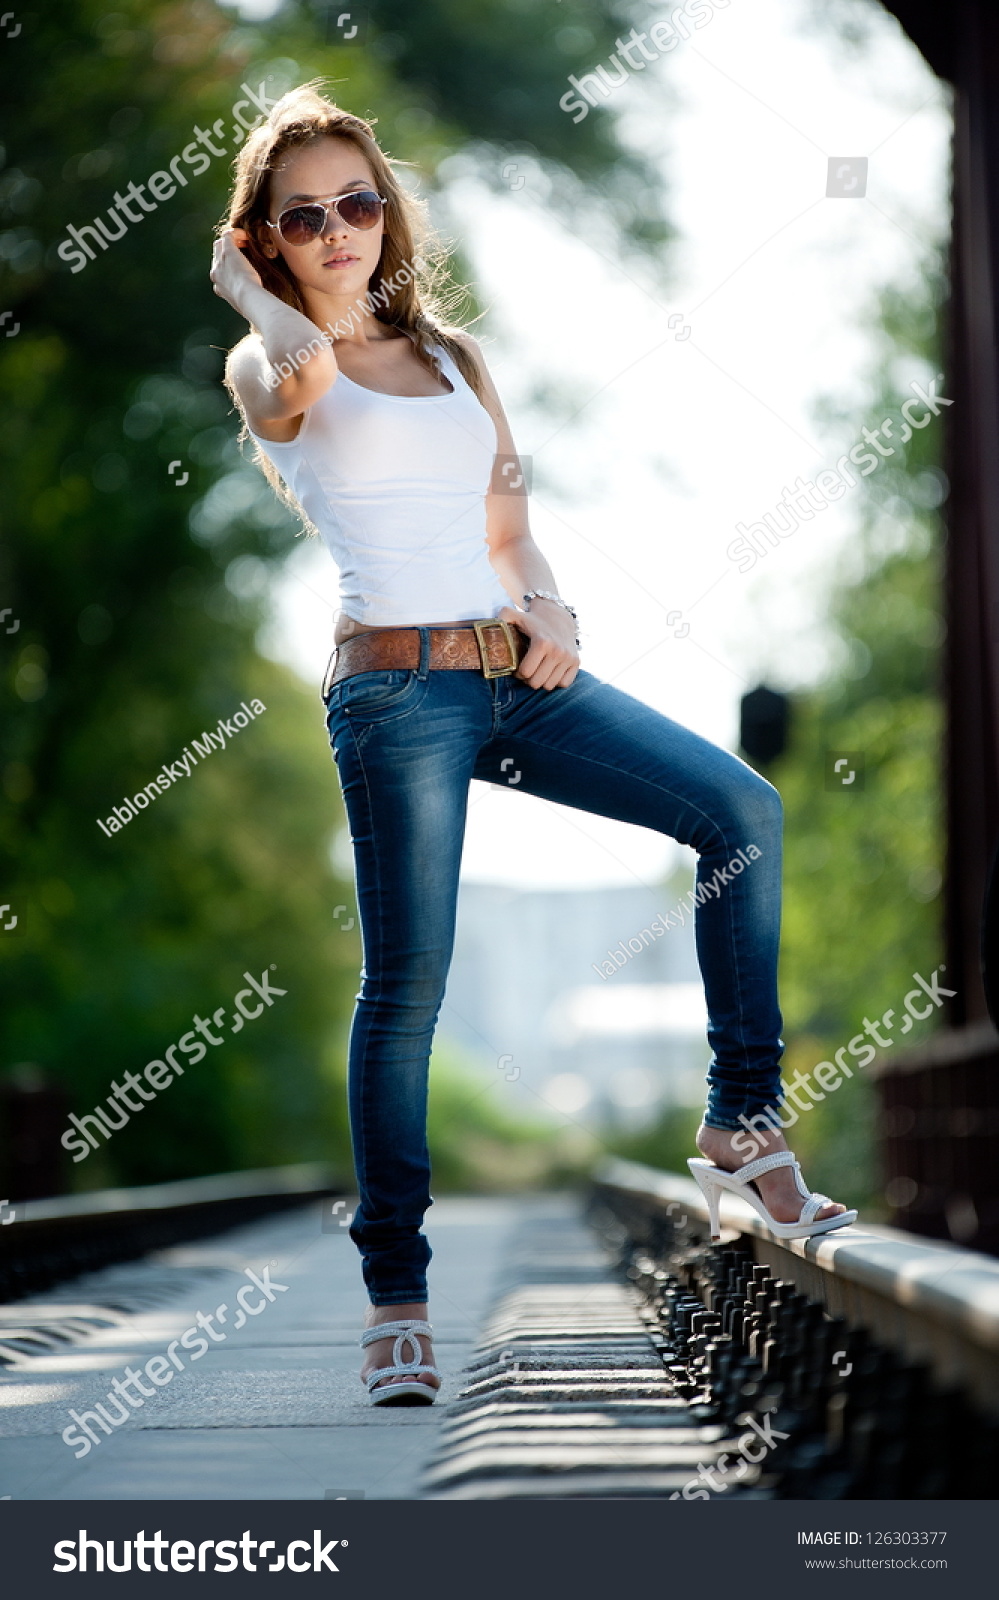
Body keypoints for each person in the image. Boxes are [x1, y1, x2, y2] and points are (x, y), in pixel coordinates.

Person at [210, 83, 854, 1407]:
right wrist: (252, 295)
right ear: (265, 239)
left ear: (391, 209)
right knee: (409, 991)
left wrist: (552, 609)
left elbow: (512, 536)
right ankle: (397, 1296)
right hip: (395, 694)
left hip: (516, 675)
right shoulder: (270, 358)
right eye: (304, 216)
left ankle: (742, 1122)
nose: (341, 228)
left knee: (741, 814)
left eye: (360, 201)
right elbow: (300, 381)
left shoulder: (453, 355)